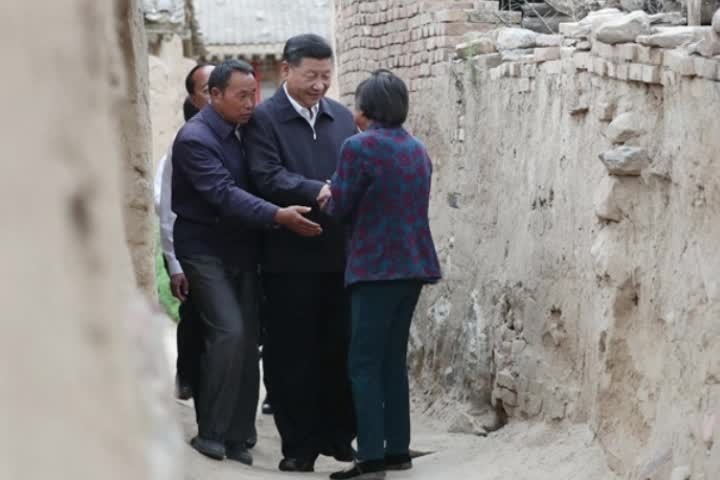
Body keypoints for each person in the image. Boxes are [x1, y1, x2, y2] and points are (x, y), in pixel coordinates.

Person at [171, 59, 323, 466]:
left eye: (253, 95)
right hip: (203, 249)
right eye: (241, 96)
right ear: (213, 95)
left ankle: (239, 436)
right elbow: (224, 194)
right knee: (229, 332)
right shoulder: (195, 139)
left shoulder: (247, 130)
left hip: (243, 248)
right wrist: (278, 215)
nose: (250, 103)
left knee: (248, 337)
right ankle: (212, 433)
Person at [244, 34, 357, 472]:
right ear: (286, 70)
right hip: (286, 258)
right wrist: (317, 190)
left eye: (326, 76)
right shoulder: (264, 120)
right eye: (311, 75)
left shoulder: (341, 117)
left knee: (338, 347)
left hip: (338, 255)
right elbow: (265, 175)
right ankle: (299, 445)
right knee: (291, 354)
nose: (319, 85)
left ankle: (339, 436)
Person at [323, 70, 442, 480]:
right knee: (393, 360)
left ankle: (371, 457)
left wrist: (327, 194)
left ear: (366, 109)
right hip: (413, 265)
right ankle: (397, 449)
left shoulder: (358, 147)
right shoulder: (417, 149)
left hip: (374, 267)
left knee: (364, 363)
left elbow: (340, 207)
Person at [154, 63, 214, 400]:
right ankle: (188, 374)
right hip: (192, 249)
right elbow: (166, 207)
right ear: (194, 99)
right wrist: (174, 262)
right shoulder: (183, 146)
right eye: (208, 89)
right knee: (194, 314)